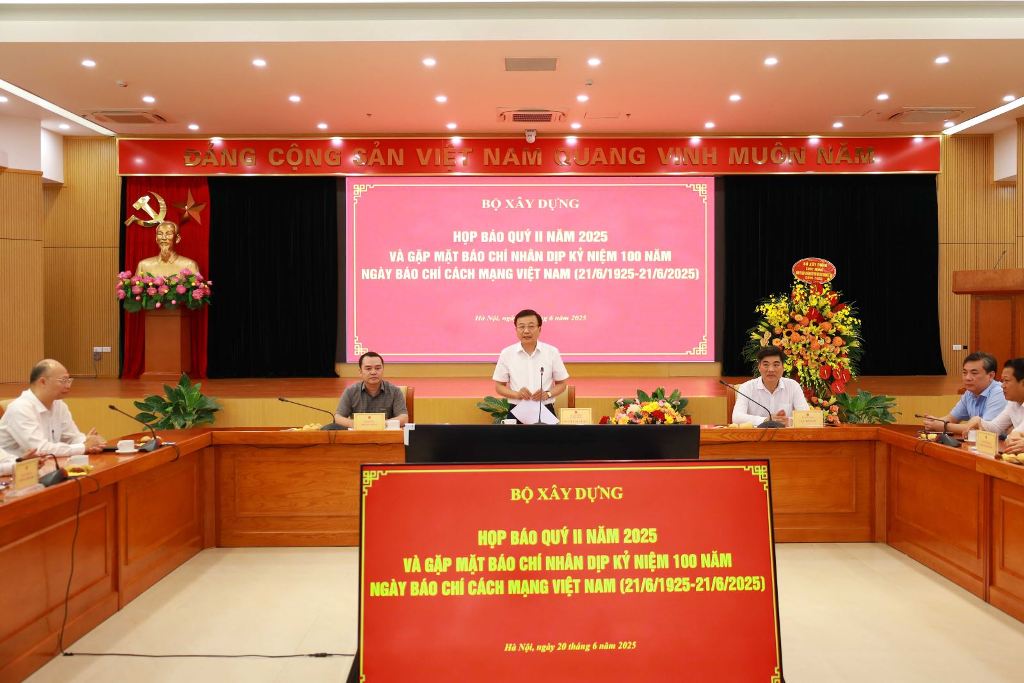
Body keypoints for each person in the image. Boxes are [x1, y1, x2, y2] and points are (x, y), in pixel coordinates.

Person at [0, 360, 106, 464]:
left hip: (46, 465)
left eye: (69, 380)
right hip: (13, 471)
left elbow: (72, 437)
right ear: (43, 382)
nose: (68, 386)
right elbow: (40, 450)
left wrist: (89, 442)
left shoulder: (59, 404)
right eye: (63, 380)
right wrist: (84, 446)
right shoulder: (20, 408)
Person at [492, 309, 569, 421]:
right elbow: (499, 386)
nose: (526, 331)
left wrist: (548, 394)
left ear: (539, 329)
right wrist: (517, 394)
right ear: (516, 330)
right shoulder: (507, 353)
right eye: (521, 327)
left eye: (531, 326)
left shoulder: (552, 352)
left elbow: (562, 384)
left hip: (545, 410)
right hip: (516, 410)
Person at [922, 352, 1006, 435]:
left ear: (991, 376)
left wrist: (944, 426)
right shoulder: (969, 393)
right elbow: (952, 418)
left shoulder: (1000, 392)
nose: (967, 378)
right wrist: (934, 422)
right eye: (965, 372)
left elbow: (984, 430)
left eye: (974, 373)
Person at [732, 346, 809, 426]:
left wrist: (788, 421)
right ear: (759, 367)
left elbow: (806, 416)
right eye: (766, 365)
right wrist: (766, 420)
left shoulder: (793, 386)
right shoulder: (746, 388)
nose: (771, 369)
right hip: (757, 434)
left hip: (785, 433)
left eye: (776, 365)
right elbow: (737, 417)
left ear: (783, 367)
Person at [964, 357, 1024, 454]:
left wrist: (1014, 435)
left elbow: (1018, 432)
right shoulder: (1013, 403)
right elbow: (996, 427)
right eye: (1002, 381)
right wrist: (979, 421)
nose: (1002, 385)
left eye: (1006, 381)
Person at [334, 351, 408, 428]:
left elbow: (404, 418)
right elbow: (338, 418)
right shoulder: (350, 391)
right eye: (368, 369)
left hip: (385, 433)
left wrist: (379, 424)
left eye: (378, 368)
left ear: (383, 370)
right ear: (360, 372)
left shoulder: (395, 391)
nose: (373, 372)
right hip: (359, 434)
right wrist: (359, 425)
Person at [135, 220, 200, 277]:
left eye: (169, 234)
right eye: (160, 234)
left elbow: (196, 286)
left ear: (177, 239)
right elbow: (136, 286)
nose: (163, 238)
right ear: (156, 239)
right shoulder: (143, 265)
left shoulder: (189, 265)